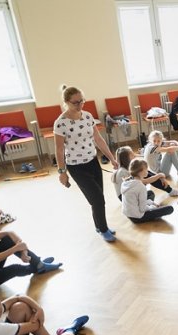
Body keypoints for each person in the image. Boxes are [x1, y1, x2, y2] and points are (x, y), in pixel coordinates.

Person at [54, 85, 119, 242]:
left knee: (98, 197)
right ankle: (103, 229)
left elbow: (98, 139)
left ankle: (99, 225)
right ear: (66, 102)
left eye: (81, 101)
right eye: (75, 102)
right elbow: (59, 149)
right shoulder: (60, 123)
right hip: (76, 167)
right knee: (97, 199)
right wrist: (62, 172)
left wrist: (111, 158)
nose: (80, 105)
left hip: (93, 162)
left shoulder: (88, 116)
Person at [112, 146, 178, 201]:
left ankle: (170, 190)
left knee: (144, 171)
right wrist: (159, 175)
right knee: (149, 192)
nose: (134, 155)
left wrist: (161, 177)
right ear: (126, 159)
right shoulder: (123, 172)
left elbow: (147, 172)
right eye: (132, 154)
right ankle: (169, 191)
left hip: (130, 193)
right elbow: (143, 181)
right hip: (125, 197)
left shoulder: (127, 167)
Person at [120, 158, 174, 223]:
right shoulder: (141, 186)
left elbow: (136, 200)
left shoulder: (126, 182)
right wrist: (153, 207)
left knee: (150, 193)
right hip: (138, 217)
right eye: (146, 169)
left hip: (128, 214)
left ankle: (150, 205)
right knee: (170, 208)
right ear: (140, 172)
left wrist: (150, 202)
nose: (147, 171)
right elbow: (142, 209)